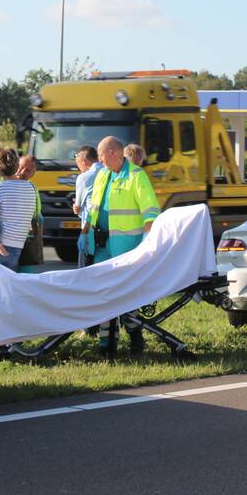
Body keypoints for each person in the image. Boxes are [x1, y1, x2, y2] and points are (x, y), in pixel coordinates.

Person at [83, 136, 161, 356]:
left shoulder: (137, 176)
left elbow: (151, 212)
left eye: (100, 155)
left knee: (125, 295)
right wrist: (85, 233)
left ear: (113, 153)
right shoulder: (103, 175)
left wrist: (147, 242)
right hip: (101, 245)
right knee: (103, 293)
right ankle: (106, 343)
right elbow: (93, 208)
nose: (98, 160)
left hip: (125, 247)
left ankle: (135, 336)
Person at [73, 145, 104, 267]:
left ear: (84, 161)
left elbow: (79, 207)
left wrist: (77, 209)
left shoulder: (83, 177)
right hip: (109, 229)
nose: (78, 168)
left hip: (89, 230)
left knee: (84, 272)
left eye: (78, 164)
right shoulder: (107, 172)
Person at [15, 154, 45, 273]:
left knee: (25, 277)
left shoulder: (32, 187)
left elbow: (37, 214)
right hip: (9, 241)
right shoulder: (4, 183)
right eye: (20, 167)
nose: (22, 172)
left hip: (27, 240)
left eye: (27, 170)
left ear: (33, 173)